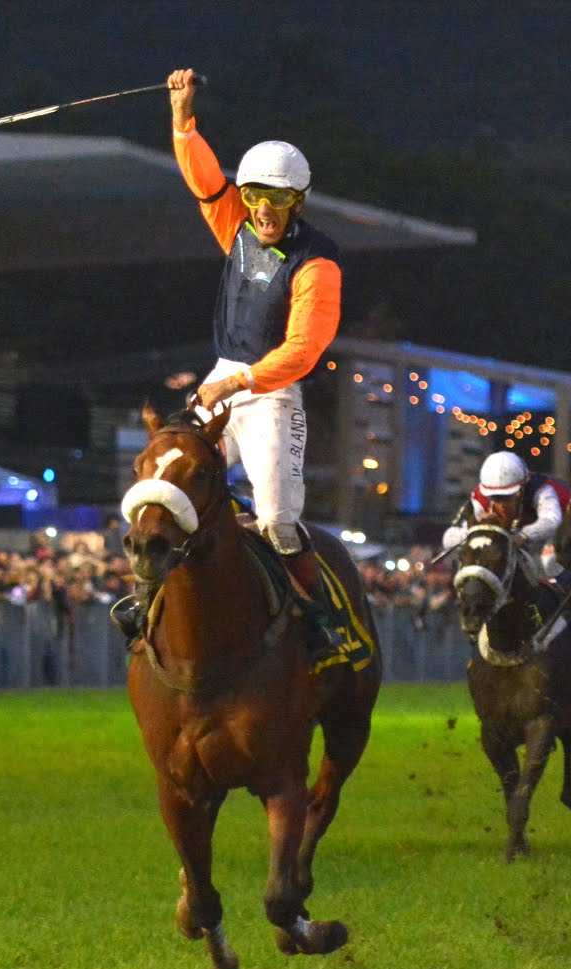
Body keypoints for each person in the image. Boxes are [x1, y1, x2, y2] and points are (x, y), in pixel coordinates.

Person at [114, 67, 343, 655]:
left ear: (300, 201)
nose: (264, 211)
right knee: (171, 479)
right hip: (224, 376)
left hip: (271, 393)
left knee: (276, 520)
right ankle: (145, 603)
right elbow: (203, 182)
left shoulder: (317, 264)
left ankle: (317, 625)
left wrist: (236, 383)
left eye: (279, 200)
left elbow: (301, 352)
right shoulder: (236, 226)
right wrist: (181, 117)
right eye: (256, 197)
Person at [442, 451, 571, 585]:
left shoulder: (542, 490)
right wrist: (477, 531)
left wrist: (524, 535)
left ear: (522, 489)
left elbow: (552, 520)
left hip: (559, 532)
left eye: (508, 497)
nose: (502, 504)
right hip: (517, 540)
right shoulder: (479, 500)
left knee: (549, 562)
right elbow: (448, 537)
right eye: (496, 498)